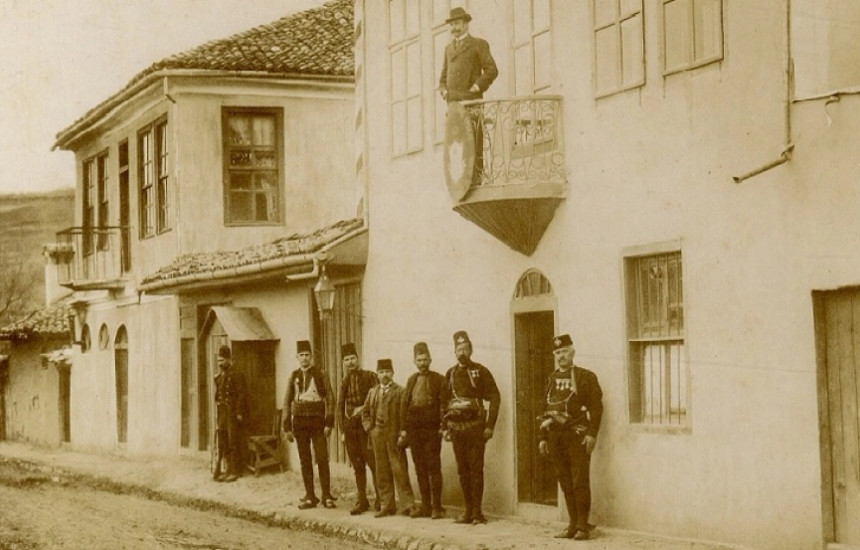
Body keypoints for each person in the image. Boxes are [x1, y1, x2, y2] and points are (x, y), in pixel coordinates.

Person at [538, 334, 603, 540]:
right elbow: (544, 408)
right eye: (557, 353)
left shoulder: (586, 377)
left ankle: (583, 526)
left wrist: (592, 434)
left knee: (579, 481)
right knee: (565, 481)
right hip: (556, 437)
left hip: (577, 436)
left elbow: (597, 407)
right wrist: (543, 437)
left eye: (564, 351)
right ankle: (573, 524)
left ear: (573, 352)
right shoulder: (551, 379)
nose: (561, 356)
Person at [441, 331, 500, 525]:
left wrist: (490, 425)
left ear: (471, 350)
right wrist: (445, 428)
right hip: (456, 429)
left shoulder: (480, 371)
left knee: (476, 470)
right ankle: (467, 511)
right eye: (459, 349)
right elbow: (443, 402)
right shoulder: (450, 374)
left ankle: (477, 512)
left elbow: (495, 397)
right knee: (462, 470)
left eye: (465, 349)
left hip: (476, 428)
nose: (462, 353)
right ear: (454, 352)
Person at [283, 340, 336, 509]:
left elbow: (330, 398)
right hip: (299, 422)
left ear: (311, 357)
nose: (305, 358)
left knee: (321, 457)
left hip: (317, 421)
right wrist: (287, 427)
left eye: (307, 355)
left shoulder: (321, 374)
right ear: (297, 357)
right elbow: (286, 401)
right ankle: (310, 496)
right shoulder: (293, 376)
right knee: (305, 459)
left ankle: (326, 495)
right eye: (301, 355)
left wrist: (329, 422)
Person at [362, 359, 415, 518]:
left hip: (394, 435)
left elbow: (407, 415)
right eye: (381, 372)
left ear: (392, 373)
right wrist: (369, 428)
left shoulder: (400, 391)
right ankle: (387, 505)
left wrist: (403, 433)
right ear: (377, 375)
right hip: (377, 434)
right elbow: (365, 412)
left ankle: (408, 505)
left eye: (387, 372)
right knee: (382, 471)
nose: (384, 375)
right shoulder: (373, 392)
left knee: (400, 470)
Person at [399, 342, 446, 519]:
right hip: (414, 430)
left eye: (425, 359)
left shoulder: (439, 379)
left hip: (432, 430)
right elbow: (405, 404)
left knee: (434, 467)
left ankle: (437, 507)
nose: (422, 363)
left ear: (430, 360)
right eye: (419, 360)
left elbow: (443, 404)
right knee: (420, 468)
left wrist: (442, 425)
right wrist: (403, 429)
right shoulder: (411, 380)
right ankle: (425, 506)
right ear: (414, 361)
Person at [335, 342, 380, 515]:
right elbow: (340, 407)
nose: (350, 362)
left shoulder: (370, 376)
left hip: (366, 428)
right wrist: (342, 431)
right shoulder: (344, 382)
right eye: (347, 359)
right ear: (343, 362)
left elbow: (377, 400)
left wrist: (365, 412)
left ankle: (380, 499)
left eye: (353, 358)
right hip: (350, 429)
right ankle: (362, 501)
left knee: (373, 463)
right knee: (357, 465)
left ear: (358, 359)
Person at [438, 7, 498, 103]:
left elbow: (492, 70)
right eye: (451, 25)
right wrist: (444, 91)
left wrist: (477, 86)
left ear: (466, 24)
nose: (454, 28)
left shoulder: (478, 44)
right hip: (452, 103)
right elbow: (443, 77)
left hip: (471, 101)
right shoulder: (448, 49)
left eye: (457, 23)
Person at [213, 344, 247, 482]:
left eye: (222, 361)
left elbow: (241, 395)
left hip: (232, 412)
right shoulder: (221, 376)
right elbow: (218, 396)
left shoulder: (237, 374)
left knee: (233, 441)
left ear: (228, 360)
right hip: (222, 412)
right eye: (218, 361)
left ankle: (235, 471)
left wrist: (239, 412)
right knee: (223, 440)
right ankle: (227, 470)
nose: (220, 363)